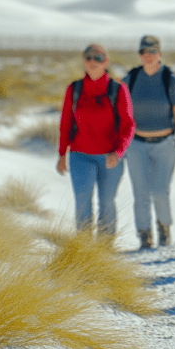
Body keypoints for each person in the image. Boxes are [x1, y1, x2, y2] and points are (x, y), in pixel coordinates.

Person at [57, 44, 135, 236]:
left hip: (110, 157)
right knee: (82, 201)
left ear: (106, 62)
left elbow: (128, 126)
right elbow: (65, 123)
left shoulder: (118, 89)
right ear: (84, 61)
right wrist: (62, 154)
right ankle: (84, 246)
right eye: (89, 58)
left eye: (98, 58)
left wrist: (118, 152)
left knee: (106, 202)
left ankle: (104, 247)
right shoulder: (74, 89)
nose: (93, 62)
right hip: (80, 155)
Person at [123, 35, 175, 250]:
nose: (148, 55)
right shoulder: (131, 78)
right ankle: (144, 234)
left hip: (165, 145)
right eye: (143, 52)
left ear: (159, 54)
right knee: (140, 193)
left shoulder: (170, 78)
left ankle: (164, 227)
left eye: (152, 51)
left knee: (160, 191)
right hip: (136, 145)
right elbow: (120, 112)